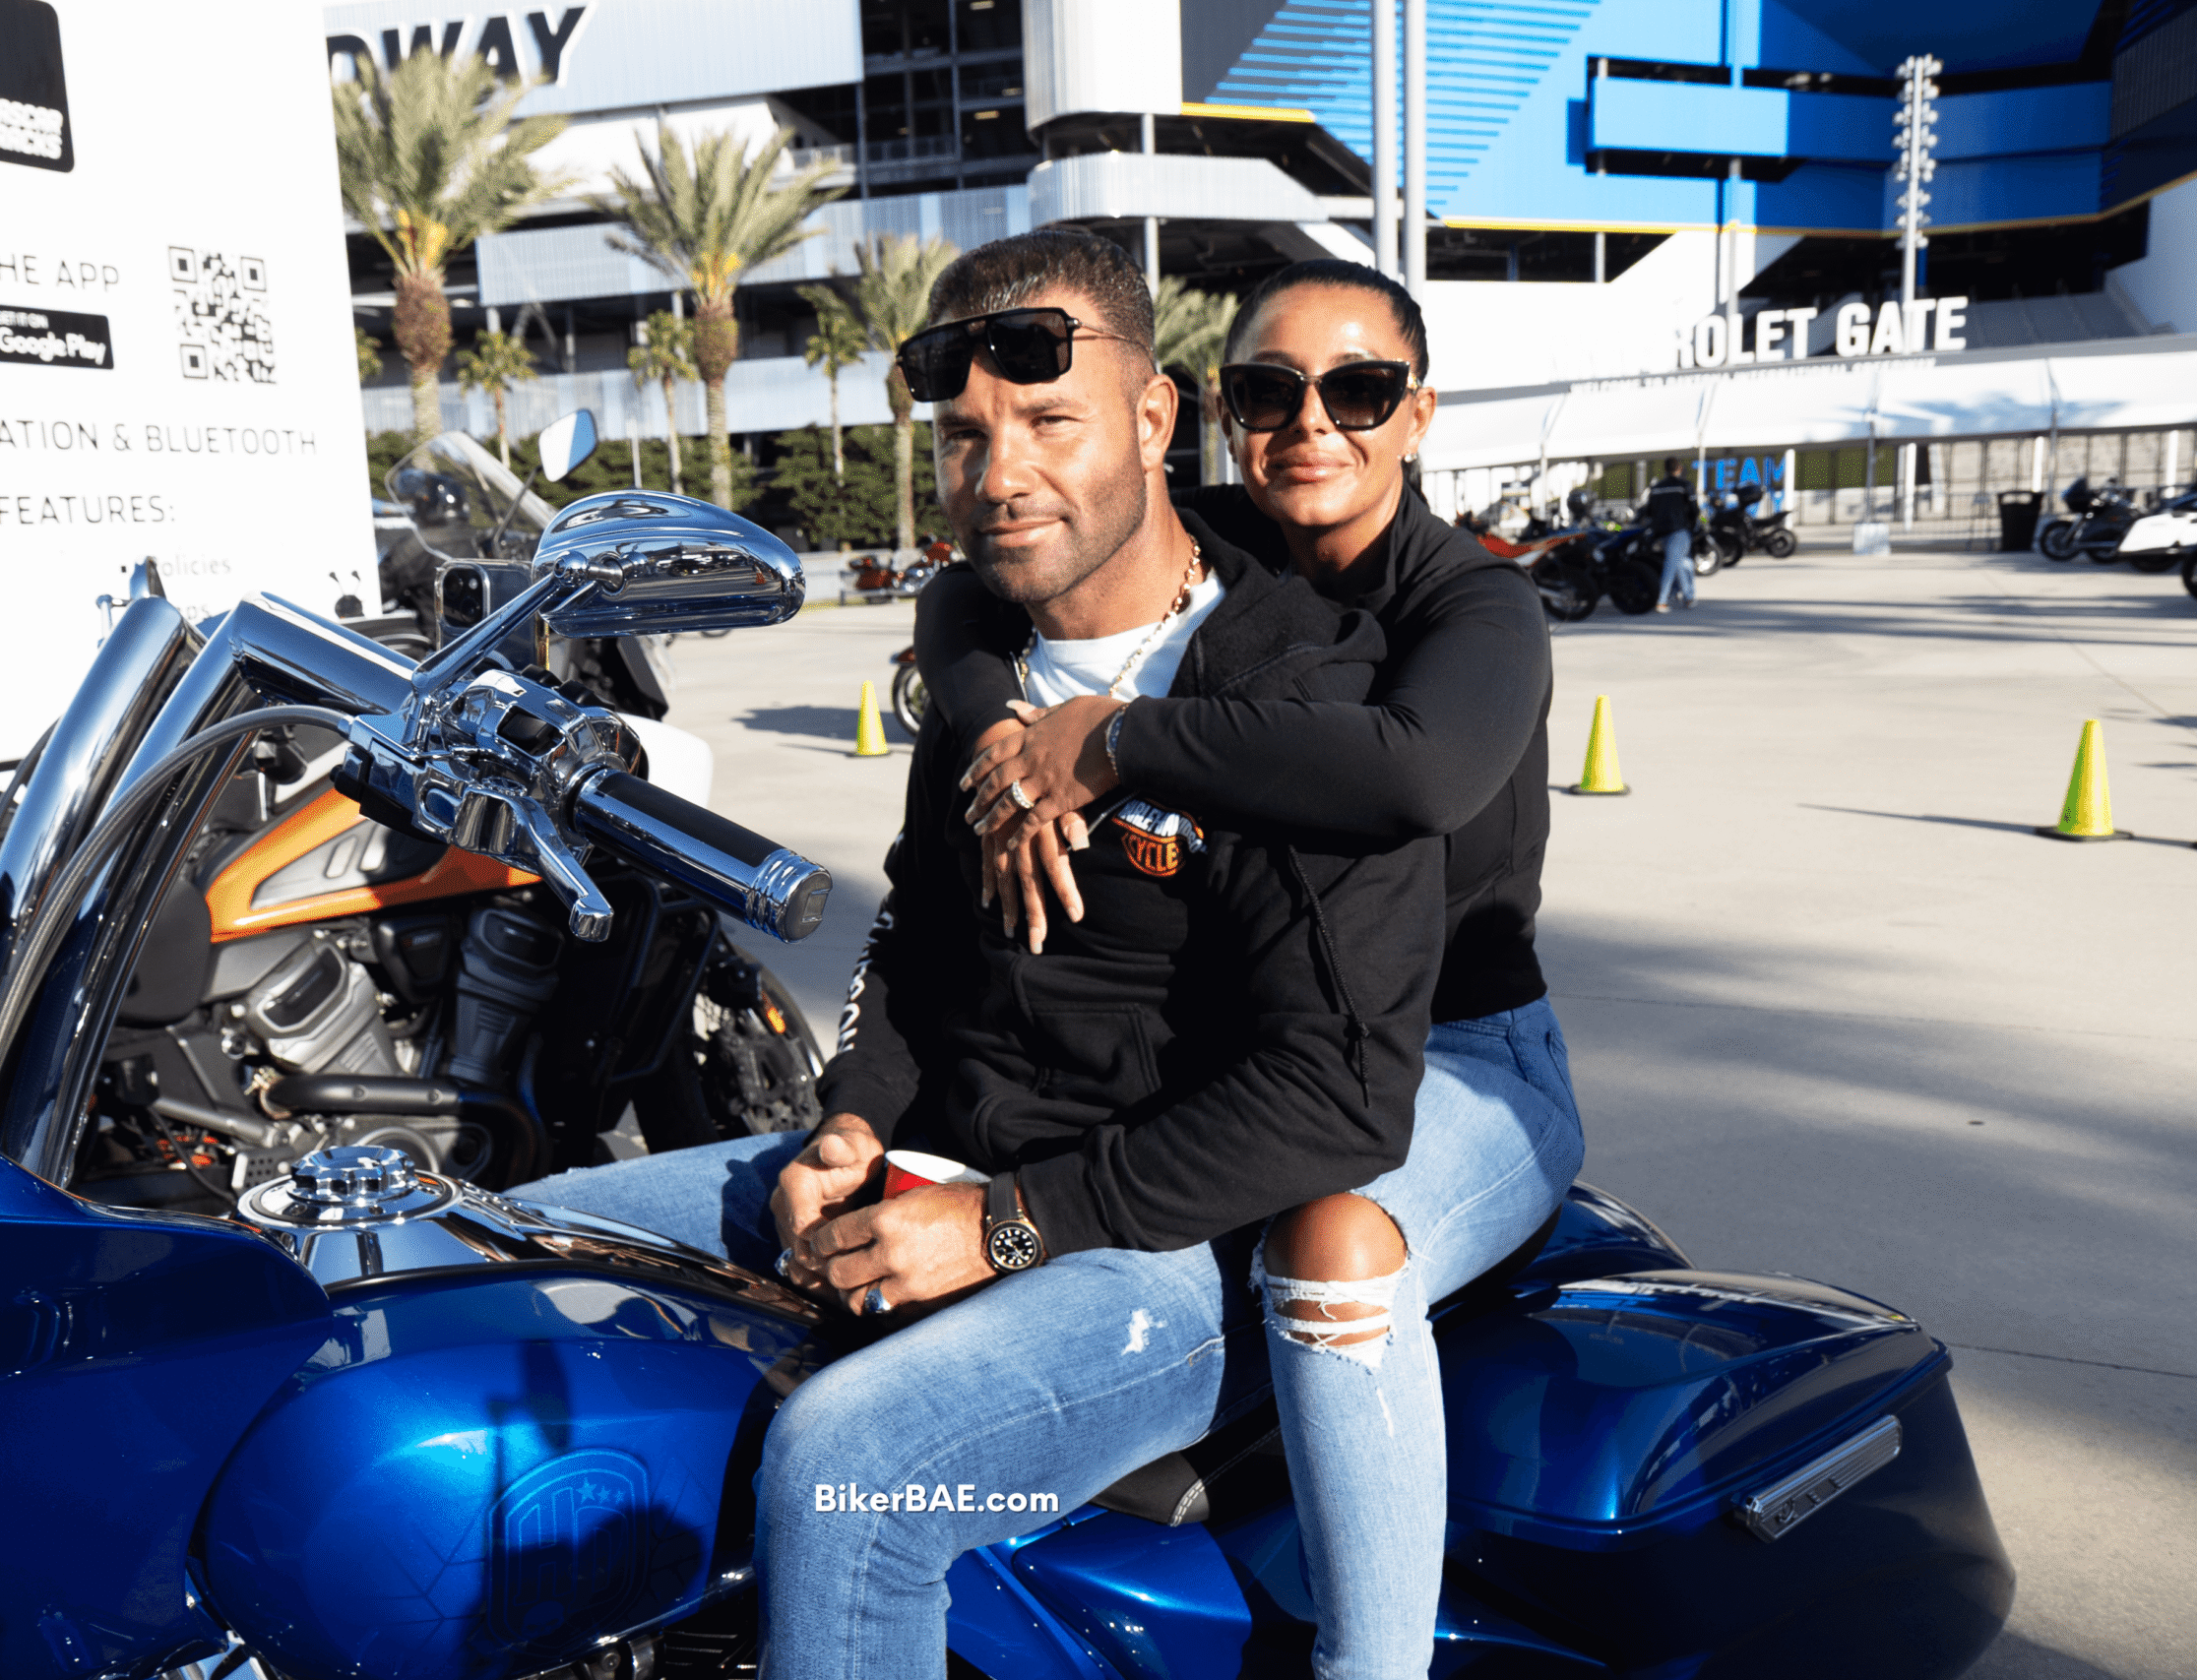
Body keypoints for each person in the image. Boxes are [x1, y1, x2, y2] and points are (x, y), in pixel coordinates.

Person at [510, 228, 1450, 1679]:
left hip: (1173, 1239)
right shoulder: (984, 671)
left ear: (1155, 416)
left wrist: (1003, 1222)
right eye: (964, 436)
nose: (999, 472)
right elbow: (915, 934)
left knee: (855, 1471)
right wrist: (851, 1119)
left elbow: (1337, 1100)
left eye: (1050, 421)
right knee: (480, 1249)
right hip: (945, 1165)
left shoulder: (1297, 703)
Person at [911, 255, 1586, 1677]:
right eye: (1272, 391)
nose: (1311, 424)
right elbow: (965, 603)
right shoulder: (1220, 545)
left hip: (1462, 1058)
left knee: (1330, 1241)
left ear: (1417, 412)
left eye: (1359, 389)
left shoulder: (1476, 606)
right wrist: (999, 737)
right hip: (1273, 1034)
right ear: (1218, 412)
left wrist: (1115, 739)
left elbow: (1414, 771)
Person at [1648, 459, 1698, 610]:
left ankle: (1689, 597)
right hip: (1679, 530)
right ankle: (1662, 600)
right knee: (1672, 566)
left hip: (1661, 532)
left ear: (1665, 469)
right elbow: (1694, 509)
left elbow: (1649, 511)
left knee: (1680, 563)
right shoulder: (1684, 486)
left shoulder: (1656, 488)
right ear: (1679, 468)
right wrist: (1693, 524)